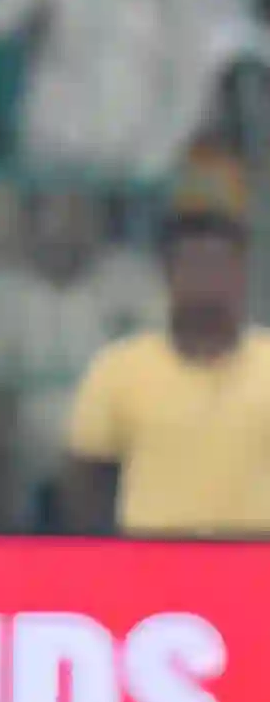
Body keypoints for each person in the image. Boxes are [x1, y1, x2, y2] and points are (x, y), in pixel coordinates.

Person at [62, 206, 270, 538]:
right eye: (195, 265)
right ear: (168, 274)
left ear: (242, 274)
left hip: (257, 557)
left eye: (220, 265)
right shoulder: (118, 369)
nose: (208, 279)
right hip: (149, 556)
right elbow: (86, 485)